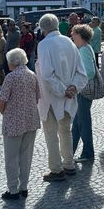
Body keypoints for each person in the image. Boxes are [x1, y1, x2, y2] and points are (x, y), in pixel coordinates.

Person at [36, 13, 87, 182]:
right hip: (68, 95)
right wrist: (73, 87)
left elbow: (47, 74)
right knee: (65, 130)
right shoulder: (69, 42)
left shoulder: (44, 45)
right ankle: (69, 164)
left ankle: (56, 169)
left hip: (52, 97)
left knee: (51, 133)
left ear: (43, 29)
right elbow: (81, 72)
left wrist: (63, 90)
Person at [0, 48, 40, 201]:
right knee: (26, 156)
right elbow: (37, 97)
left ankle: (13, 189)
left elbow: (1, 101)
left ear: (12, 62)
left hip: (14, 121)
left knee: (11, 157)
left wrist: (5, 113)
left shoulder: (11, 77)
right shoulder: (32, 75)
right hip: (31, 120)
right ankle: (24, 187)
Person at [71, 24, 96, 160]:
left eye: (74, 34)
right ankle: (70, 153)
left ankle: (87, 153)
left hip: (83, 91)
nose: (72, 36)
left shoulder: (84, 50)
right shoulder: (84, 48)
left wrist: (77, 82)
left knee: (83, 122)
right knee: (77, 123)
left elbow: (90, 71)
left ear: (80, 36)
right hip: (82, 91)